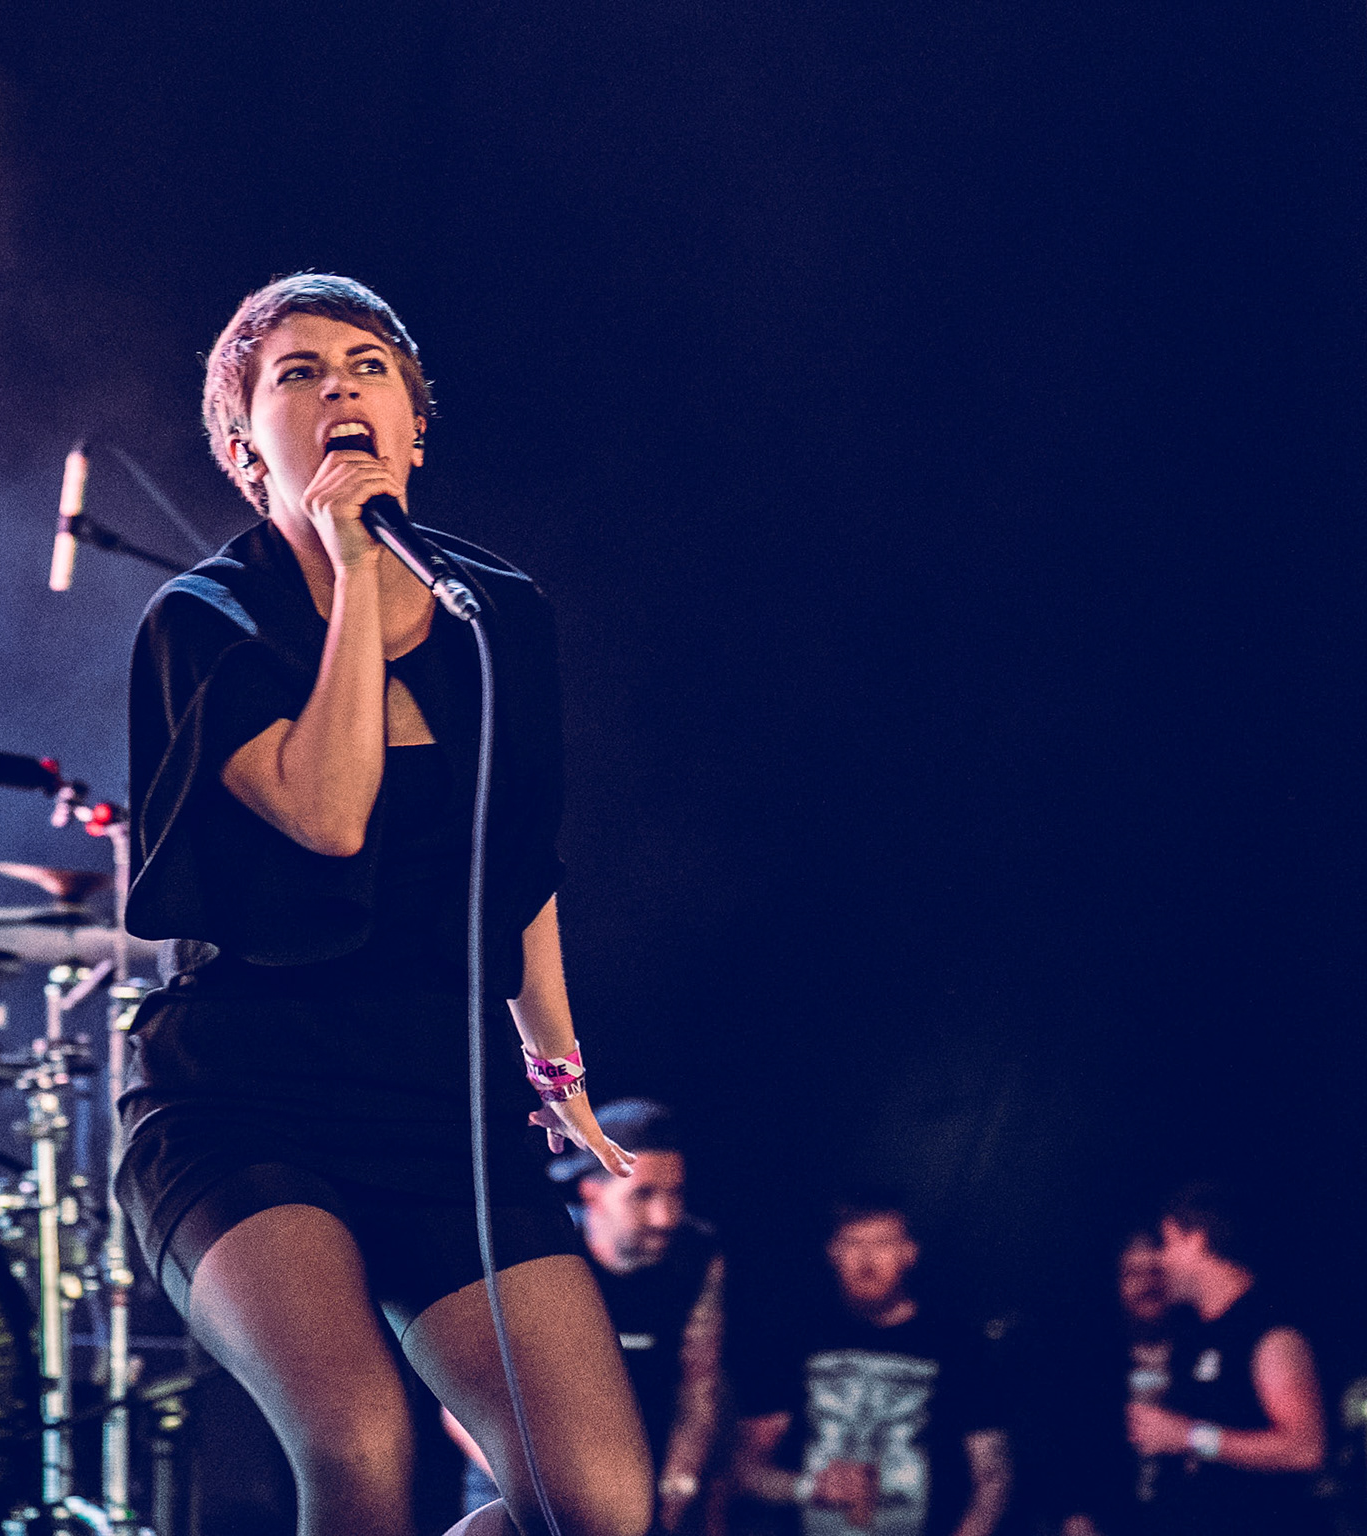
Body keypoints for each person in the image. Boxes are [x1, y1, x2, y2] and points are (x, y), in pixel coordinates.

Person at [114, 274, 653, 1536]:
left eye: (369, 368)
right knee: (360, 1445)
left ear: (413, 429)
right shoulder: (206, 621)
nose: (340, 387)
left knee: (598, 1507)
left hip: (438, 1099)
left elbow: (517, 862)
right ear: (245, 448)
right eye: (297, 374)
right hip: (241, 1095)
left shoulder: (495, 613)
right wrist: (354, 563)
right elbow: (328, 812)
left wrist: (556, 1063)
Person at [443, 1099, 726, 1531]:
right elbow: (461, 1408)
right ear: (591, 1190)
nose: (665, 1218)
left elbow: (699, 1386)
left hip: (637, 1484)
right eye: (644, 1194)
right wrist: (548, 1498)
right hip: (520, 1485)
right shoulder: (540, 1253)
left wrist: (677, 1488)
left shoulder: (697, 1255)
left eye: (675, 1194)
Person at [729, 1196, 1012, 1536]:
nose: (867, 1259)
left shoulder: (957, 1345)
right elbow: (742, 1469)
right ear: (833, 1251)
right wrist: (806, 1487)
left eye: (883, 1243)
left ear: (909, 1253)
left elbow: (992, 1476)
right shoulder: (795, 1339)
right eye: (853, 1243)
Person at [1124, 1182, 1325, 1535]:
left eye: (1168, 1243)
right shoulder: (1194, 1337)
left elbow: (1305, 1448)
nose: (1161, 1260)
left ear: (1197, 1239)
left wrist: (1190, 1437)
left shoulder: (1266, 1329)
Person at [1057, 1232, 1173, 1536]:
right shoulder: (1093, 1361)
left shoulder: (1198, 1355)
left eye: (1155, 1271)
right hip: (1115, 1517)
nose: (1147, 1285)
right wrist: (1076, 1512)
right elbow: (1069, 1443)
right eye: (1133, 1274)